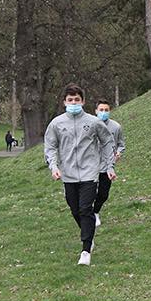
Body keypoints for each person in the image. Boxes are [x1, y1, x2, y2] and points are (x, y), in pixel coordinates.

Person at [44, 84, 116, 266]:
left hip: (89, 173)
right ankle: (89, 234)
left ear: (82, 101)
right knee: (75, 209)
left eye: (77, 99)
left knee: (85, 209)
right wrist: (53, 166)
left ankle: (86, 250)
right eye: (70, 100)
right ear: (64, 102)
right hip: (67, 174)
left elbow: (108, 141)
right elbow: (50, 147)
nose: (74, 103)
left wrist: (109, 165)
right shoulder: (56, 124)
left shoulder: (93, 122)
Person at [92, 99, 125, 228]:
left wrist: (118, 152)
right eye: (101, 110)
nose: (103, 112)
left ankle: (95, 211)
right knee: (89, 192)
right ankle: (90, 214)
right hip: (91, 165)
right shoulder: (90, 125)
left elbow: (121, 144)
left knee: (103, 193)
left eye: (106, 110)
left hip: (107, 166)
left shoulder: (116, 127)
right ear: (96, 111)